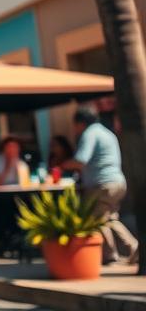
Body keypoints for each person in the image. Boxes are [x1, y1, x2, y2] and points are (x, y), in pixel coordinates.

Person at [62, 107, 139, 265]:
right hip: (117, 181)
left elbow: (81, 160)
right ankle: (132, 248)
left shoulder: (90, 133)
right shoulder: (107, 132)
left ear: (80, 123)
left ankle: (112, 255)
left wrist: (63, 165)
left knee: (97, 219)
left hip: (102, 183)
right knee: (109, 218)